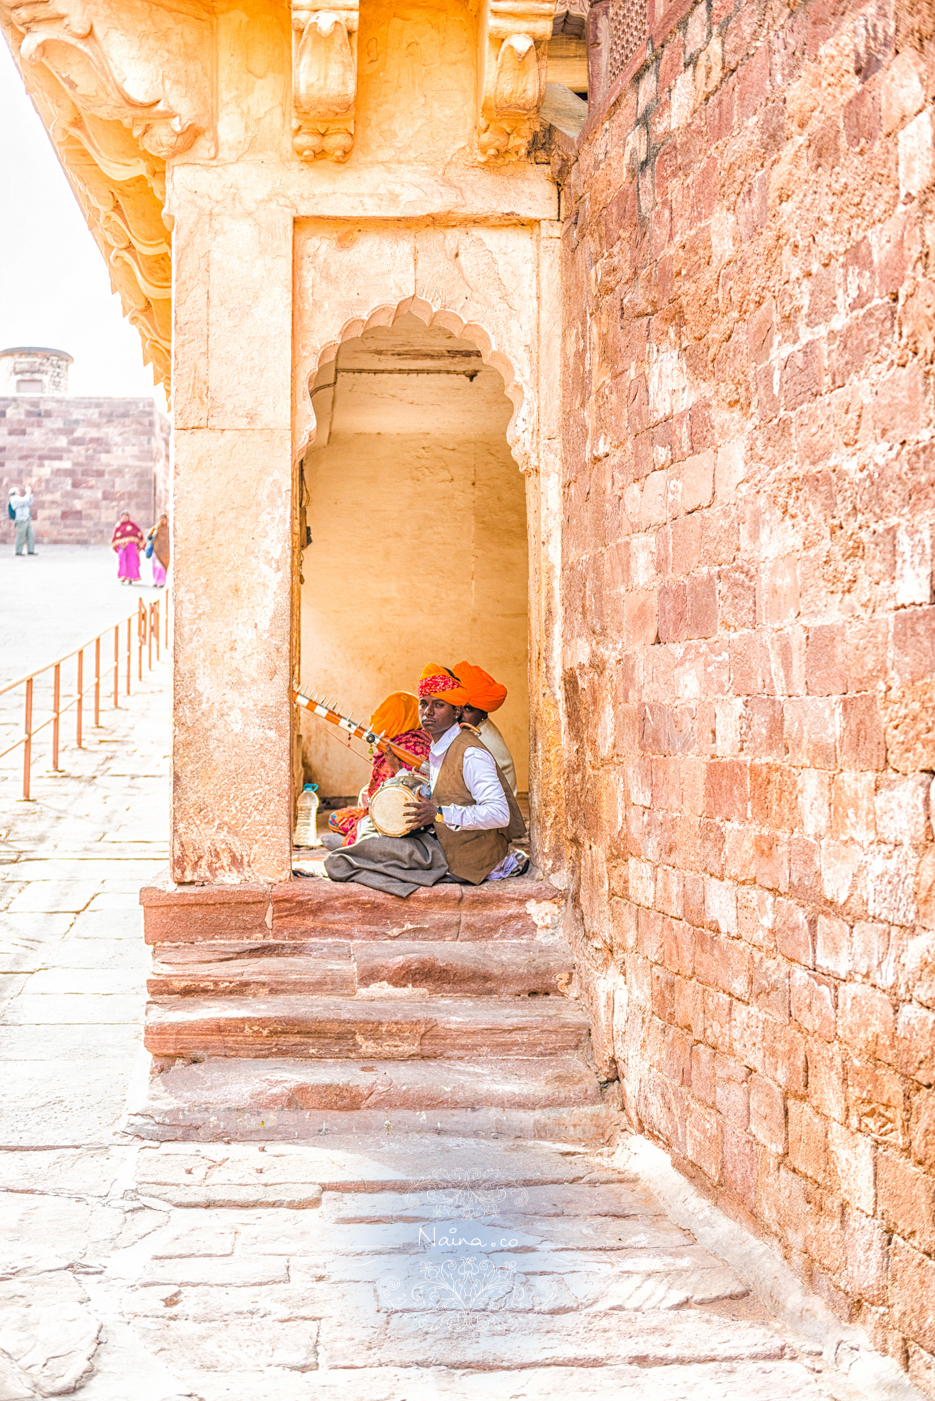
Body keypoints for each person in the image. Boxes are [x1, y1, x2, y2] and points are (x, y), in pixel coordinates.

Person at [324, 664, 526, 897]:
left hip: (464, 855)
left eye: (438, 705)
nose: (428, 712)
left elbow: (499, 813)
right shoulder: (441, 745)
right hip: (444, 838)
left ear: (457, 711)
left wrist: (439, 813)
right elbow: (446, 791)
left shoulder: (471, 753)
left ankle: (367, 856)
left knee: (338, 863)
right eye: (424, 703)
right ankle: (367, 853)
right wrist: (399, 771)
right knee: (374, 830)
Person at [326, 691, 430, 846]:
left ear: (395, 717)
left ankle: (355, 842)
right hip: (409, 814)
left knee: (339, 821)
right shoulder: (418, 740)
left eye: (386, 714)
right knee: (340, 816)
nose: (378, 718)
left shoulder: (405, 749)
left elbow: (391, 798)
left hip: (398, 817)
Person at [453, 660, 518, 796]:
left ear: (483, 712)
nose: (460, 714)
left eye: (468, 709)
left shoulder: (481, 743)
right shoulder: (471, 729)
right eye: (457, 706)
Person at [111, 512, 145, 584]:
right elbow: (115, 537)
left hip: (131, 546)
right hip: (122, 546)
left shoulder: (132, 525)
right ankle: (123, 576)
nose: (125, 518)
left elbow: (138, 534)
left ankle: (131, 577)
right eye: (124, 516)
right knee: (122, 559)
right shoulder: (119, 525)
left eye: (126, 516)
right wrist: (120, 544)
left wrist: (138, 544)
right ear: (121, 517)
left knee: (132, 561)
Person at [9, 486, 36, 556]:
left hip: (26, 518)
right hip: (21, 519)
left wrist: (30, 494)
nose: (19, 492)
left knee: (30, 535)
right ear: (15, 492)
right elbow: (25, 500)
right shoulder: (14, 499)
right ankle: (18, 551)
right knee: (21, 536)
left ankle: (31, 550)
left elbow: (29, 502)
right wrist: (28, 492)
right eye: (18, 491)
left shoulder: (19, 498)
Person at [147, 512, 170, 587]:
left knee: (163, 566)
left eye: (164, 519)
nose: (163, 520)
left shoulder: (168, 529)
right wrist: (154, 535)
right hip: (156, 551)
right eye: (161, 519)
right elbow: (149, 537)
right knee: (157, 566)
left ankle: (163, 581)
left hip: (165, 551)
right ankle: (156, 580)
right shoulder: (156, 528)